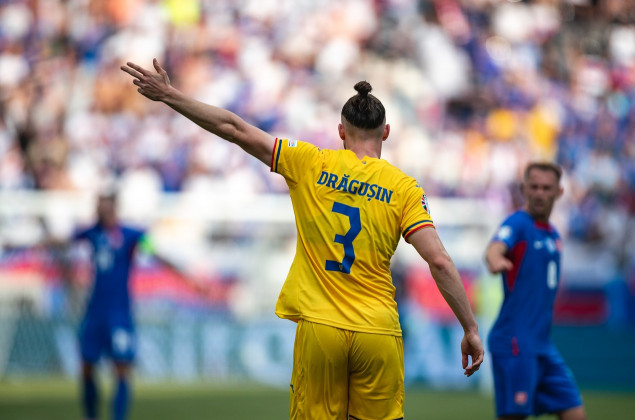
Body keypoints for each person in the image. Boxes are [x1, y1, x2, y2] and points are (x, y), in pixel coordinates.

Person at [121, 58, 483, 419]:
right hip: (378, 330)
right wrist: (469, 327)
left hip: (320, 328)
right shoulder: (404, 189)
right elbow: (438, 260)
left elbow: (234, 128)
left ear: (341, 131)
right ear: (385, 132)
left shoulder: (309, 163)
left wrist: (170, 95)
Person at [69, 191, 200, 420]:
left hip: (119, 313)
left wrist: (187, 277)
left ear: (113, 207)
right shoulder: (91, 233)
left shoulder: (131, 235)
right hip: (94, 311)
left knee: (122, 369)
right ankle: (90, 415)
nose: (99, 209)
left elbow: (155, 253)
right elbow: (63, 241)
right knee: (86, 366)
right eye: (98, 205)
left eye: (103, 205)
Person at [484, 162, 586, 420]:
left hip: (542, 344)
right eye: (534, 187)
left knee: (575, 412)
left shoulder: (553, 235)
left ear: (559, 192)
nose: (540, 193)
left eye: (546, 188)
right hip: (515, 343)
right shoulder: (518, 223)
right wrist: (495, 260)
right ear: (524, 189)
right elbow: (495, 247)